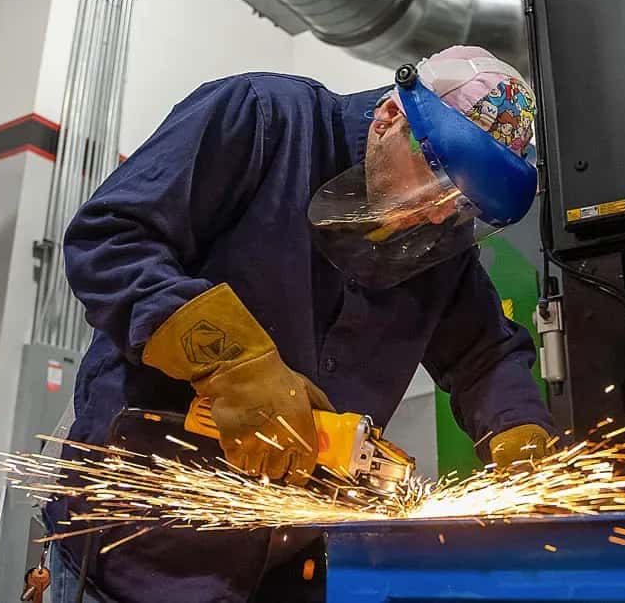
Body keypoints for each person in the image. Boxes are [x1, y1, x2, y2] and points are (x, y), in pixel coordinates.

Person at [44, 45, 556, 602]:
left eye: (462, 203)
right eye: (438, 180)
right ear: (390, 119)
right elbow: (111, 239)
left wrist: (519, 442)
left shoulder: (438, 239)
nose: (438, 212)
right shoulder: (262, 119)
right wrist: (233, 365)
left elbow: (484, 356)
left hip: (289, 566)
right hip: (138, 548)